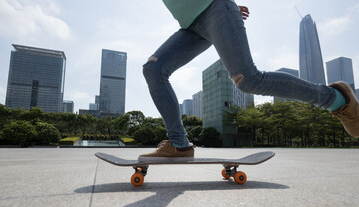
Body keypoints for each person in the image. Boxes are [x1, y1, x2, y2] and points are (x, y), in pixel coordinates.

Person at [139, 0, 359, 160]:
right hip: (190, 27)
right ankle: (179, 143)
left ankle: (336, 99)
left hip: (215, 8)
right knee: (153, 68)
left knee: (248, 80)